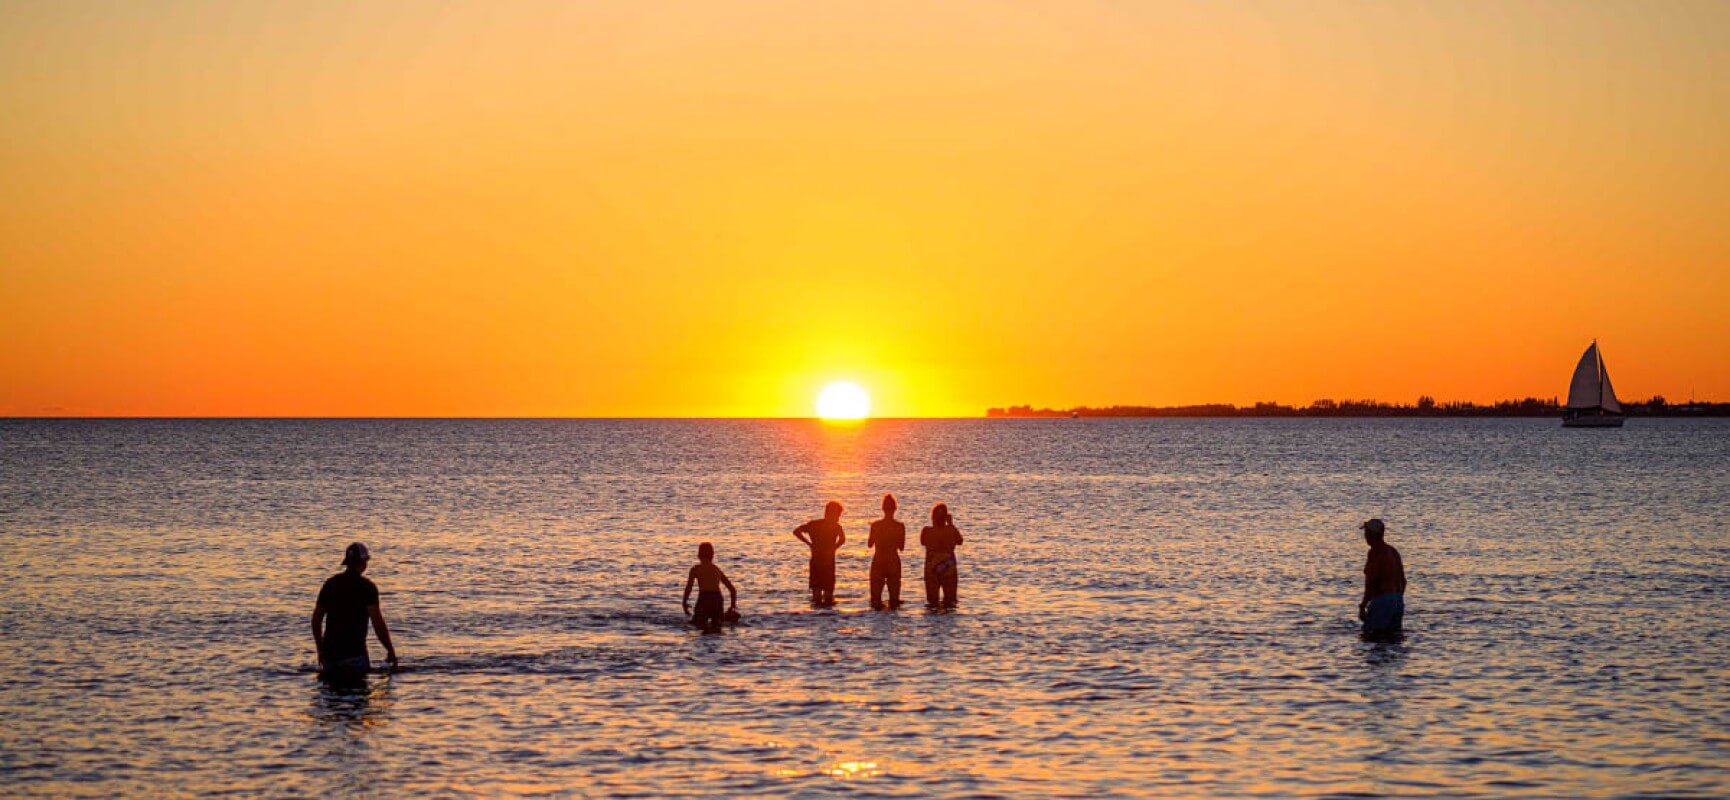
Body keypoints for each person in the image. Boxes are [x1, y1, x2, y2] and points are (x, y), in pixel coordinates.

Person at [311, 542, 398, 673]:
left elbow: (316, 620)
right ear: (363, 564)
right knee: (358, 691)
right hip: (355, 654)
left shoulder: (330, 584)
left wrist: (320, 650)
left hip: (331, 654)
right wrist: (390, 650)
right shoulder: (367, 587)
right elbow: (377, 623)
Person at [1358, 518, 1407, 637]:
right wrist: (1396, 599)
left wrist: (1363, 606)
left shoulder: (1374, 552)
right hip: (1397, 600)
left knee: (1370, 636)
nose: (1365, 536)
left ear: (1372, 535)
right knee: (1393, 639)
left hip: (1382, 600)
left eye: (1366, 533)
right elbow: (1403, 581)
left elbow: (1371, 581)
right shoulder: (1393, 551)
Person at [793, 501, 846, 606]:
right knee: (828, 593)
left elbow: (796, 531)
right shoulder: (836, 526)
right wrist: (834, 548)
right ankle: (828, 615)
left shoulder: (814, 524)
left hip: (816, 561)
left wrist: (809, 543)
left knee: (816, 593)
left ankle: (816, 617)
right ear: (832, 513)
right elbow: (843, 539)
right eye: (838, 515)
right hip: (828, 563)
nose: (838, 518)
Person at [683, 542, 739, 630]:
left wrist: (684, 603)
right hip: (717, 598)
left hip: (704, 598)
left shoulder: (695, 569)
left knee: (697, 624)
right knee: (717, 625)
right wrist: (732, 606)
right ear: (712, 555)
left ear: (699, 555)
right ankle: (728, 616)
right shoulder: (716, 569)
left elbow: (688, 588)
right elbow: (732, 590)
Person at [867, 494, 906, 610]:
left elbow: (869, 544)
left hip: (878, 560)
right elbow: (901, 547)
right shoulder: (899, 526)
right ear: (895, 509)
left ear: (883, 508)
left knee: (875, 601)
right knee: (894, 601)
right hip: (893, 560)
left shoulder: (875, 525)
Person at [921, 503, 963, 608]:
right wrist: (951, 524)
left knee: (932, 602)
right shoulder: (951, 530)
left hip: (932, 566)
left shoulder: (927, 531)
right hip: (948, 565)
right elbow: (960, 541)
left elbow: (923, 542)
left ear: (932, 517)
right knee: (950, 602)